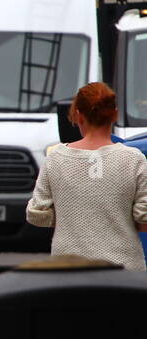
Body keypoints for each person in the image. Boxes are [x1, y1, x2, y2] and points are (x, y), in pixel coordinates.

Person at [26, 82, 147, 270]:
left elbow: (36, 215)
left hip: (69, 271)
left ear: (77, 116)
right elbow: (144, 220)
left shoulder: (56, 158)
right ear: (114, 114)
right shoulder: (134, 159)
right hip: (125, 272)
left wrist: (70, 216)